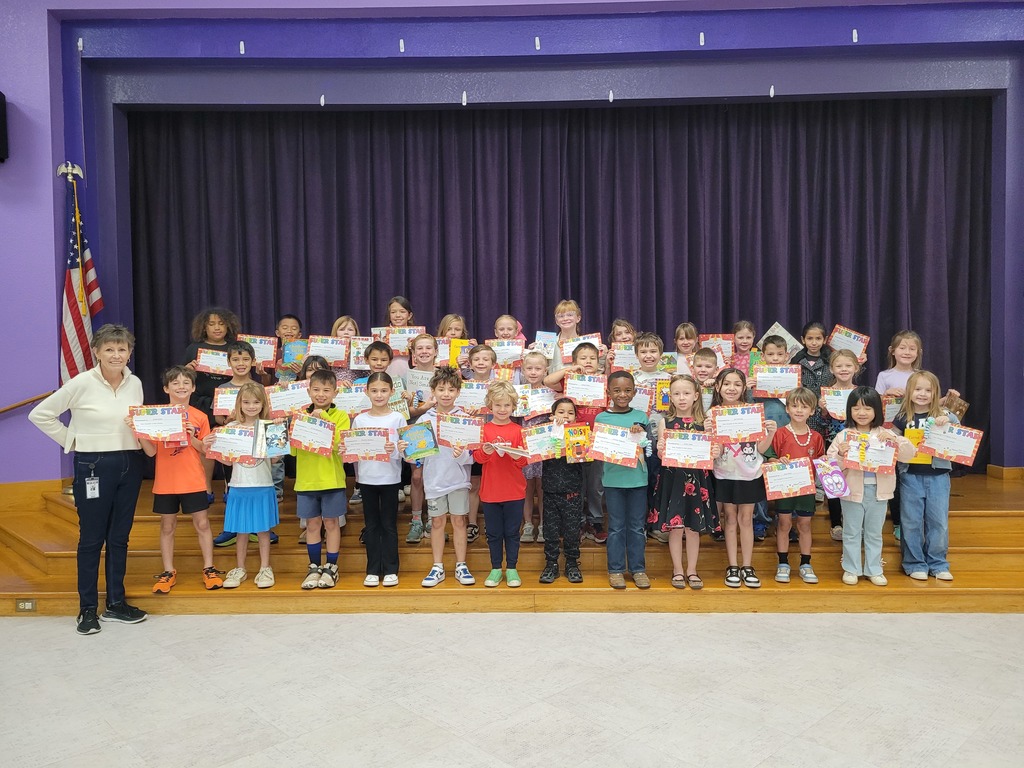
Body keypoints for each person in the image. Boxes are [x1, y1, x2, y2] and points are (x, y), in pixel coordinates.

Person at [30, 324, 147, 634]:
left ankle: (116, 603)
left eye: (122, 349)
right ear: (96, 352)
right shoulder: (80, 383)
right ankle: (87, 610)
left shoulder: (134, 383)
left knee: (119, 537)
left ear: (129, 353)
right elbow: (40, 415)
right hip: (93, 465)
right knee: (92, 538)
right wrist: (73, 441)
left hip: (130, 462)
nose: (116, 354)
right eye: (109, 349)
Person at [135, 366, 222, 593]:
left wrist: (189, 435)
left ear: (193, 388)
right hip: (166, 481)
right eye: (175, 383)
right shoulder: (156, 416)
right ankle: (168, 571)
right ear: (166, 388)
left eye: (186, 383)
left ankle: (209, 568)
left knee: (202, 523)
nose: (181, 387)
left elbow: (204, 449)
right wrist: (138, 432)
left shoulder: (199, 416)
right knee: (167, 526)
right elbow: (151, 452)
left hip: (192, 479)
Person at [828, 386, 915, 586]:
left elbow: (909, 454)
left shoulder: (886, 433)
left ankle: (874, 569)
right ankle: (851, 569)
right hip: (851, 493)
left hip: (879, 493)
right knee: (851, 532)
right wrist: (840, 454)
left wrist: (894, 440)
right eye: (856, 408)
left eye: (867, 408)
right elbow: (830, 466)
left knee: (874, 533)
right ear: (849, 410)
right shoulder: (844, 436)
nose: (862, 413)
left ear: (877, 410)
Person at [398, 366, 476, 588]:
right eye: (441, 389)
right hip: (434, 481)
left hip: (459, 480)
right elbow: (415, 457)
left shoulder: (464, 419)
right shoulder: (425, 420)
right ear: (433, 391)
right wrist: (405, 450)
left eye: (451, 389)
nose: (446, 394)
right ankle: (437, 566)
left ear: (458, 392)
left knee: (460, 521)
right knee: (437, 522)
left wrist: (462, 455)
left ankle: (461, 565)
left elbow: (472, 456)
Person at [208, 382, 280, 589]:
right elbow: (228, 462)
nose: (251, 406)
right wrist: (216, 447)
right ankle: (240, 568)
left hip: (263, 485)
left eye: (256, 402)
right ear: (239, 404)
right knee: (241, 531)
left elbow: (275, 460)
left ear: (263, 404)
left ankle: (265, 568)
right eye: (246, 402)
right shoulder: (230, 428)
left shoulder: (269, 426)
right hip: (239, 486)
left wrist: (279, 444)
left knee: (263, 531)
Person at [711, 367, 777, 589]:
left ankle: (747, 566)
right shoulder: (712, 413)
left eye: (737, 384)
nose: (731, 388)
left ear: (744, 387)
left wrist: (771, 433)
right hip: (724, 473)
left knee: (746, 519)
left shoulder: (753, 412)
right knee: (729, 518)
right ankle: (732, 566)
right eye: (726, 383)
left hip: (750, 473)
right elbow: (714, 451)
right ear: (718, 387)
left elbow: (760, 448)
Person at [891, 371, 959, 581]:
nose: (922, 394)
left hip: (938, 476)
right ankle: (913, 563)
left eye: (928, 390)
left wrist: (947, 418)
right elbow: (893, 443)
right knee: (910, 521)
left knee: (938, 521)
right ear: (909, 392)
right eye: (918, 389)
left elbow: (958, 431)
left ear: (935, 393)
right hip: (910, 476)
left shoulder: (944, 414)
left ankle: (938, 563)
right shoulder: (903, 418)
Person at [653, 375, 718, 590]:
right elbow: (662, 456)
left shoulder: (704, 423)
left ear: (696, 396)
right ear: (670, 397)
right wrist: (661, 449)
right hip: (674, 481)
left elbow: (713, 452)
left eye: (687, 393)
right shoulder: (666, 422)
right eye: (677, 394)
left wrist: (715, 447)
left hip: (697, 481)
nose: (682, 398)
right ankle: (677, 570)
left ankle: (692, 570)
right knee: (676, 528)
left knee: (693, 528)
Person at [544, 341, 607, 544]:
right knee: (577, 484)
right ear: (575, 361)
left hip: (597, 439)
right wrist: (569, 370)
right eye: (583, 358)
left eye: (592, 358)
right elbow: (547, 381)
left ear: (599, 362)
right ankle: (577, 521)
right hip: (573, 439)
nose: (588, 361)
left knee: (596, 484)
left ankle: (595, 521)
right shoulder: (571, 379)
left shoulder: (602, 382)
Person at [595, 371, 651, 590]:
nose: (622, 394)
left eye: (627, 390)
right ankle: (616, 570)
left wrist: (642, 434)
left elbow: (650, 450)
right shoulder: (602, 418)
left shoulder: (642, 417)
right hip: (613, 480)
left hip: (638, 479)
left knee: (637, 527)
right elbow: (598, 451)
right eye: (617, 390)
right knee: (616, 527)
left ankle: (638, 569)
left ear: (635, 392)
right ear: (608, 392)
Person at [295, 369, 350, 589]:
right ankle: (314, 566)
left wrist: (323, 419)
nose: (321, 394)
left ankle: (331, 567)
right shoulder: (299, 415)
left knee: (331, 523)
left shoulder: (341, 416)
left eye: (327, 390)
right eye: (316, 389)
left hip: (332, 480)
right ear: (308, 391)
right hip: (306, 480)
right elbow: (291, 449)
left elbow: (340, 446)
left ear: (335, 393)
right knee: (312, 524)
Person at [350, 372, 405, 587]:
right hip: (367, 478)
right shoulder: (360, 419)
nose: (379, 395)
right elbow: (354, 452)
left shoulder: (397, 418)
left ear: (392, 392)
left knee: (389, 525)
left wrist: (397, 450)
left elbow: (404, 452)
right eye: (374, 391)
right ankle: (373, 569)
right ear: (367, 392)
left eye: (383, 390)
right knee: (371, 525)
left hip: (390, 478)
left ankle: (391, 569)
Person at [473, 380, 528, 588]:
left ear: (513, 406)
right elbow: (477, 458)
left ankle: (512, 568)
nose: (502, 409)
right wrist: (485, 452)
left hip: (515, 490)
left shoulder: (518, 430)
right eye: (498, 405)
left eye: (506, 405)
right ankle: (496, 568)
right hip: (490, 491)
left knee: (512, 532)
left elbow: (524, 461)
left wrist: (515, 455)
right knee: (494, 533)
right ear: (490, 406)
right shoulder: (483, 429)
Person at [770, 387, 826, 585]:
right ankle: (783, 563)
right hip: (784, 488)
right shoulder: (780, 434)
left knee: (805, 525)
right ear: (787, 409)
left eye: (804, 407)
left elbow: (821, 463)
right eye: (794, 406)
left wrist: (826, 463)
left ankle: (805, 563)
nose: (799, 410)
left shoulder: (817, 437)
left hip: (807, 489)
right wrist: (776, 461)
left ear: (812, 411)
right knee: (783, 524)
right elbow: (770, 458)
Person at [183, 307, 240, 501]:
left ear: (228, 326)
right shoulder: (194, 348)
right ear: (204, 327)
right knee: (205, 447)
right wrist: (187, 370)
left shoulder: (235, 346)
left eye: (221, 323)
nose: (217, 327)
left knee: (230, 445)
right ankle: (205, 489)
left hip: (230, 404)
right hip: (202, 403)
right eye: (212, 323)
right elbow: (183, 380)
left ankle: (229, 488)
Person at [211, 340, 264, 547]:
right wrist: (231, 418)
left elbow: (266, 415)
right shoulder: (223, 389)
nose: (240, 363)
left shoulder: (260, 387)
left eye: (245, 359)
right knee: (232, 483)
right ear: (229, 362)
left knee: (258, 481)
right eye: (235, 359)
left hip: (257, 448)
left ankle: (259, 527)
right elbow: (218, 420)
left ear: (253, 362)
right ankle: (232, 527)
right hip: (233, 445)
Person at [539, 398, 586, 583]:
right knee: (550, 531)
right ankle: (551, 564)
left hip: (572, 492)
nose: (565, 416)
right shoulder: (544, 433)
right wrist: (553, 430)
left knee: (572, 530)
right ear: (552, 415)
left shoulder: (579, 434)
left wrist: (575, 437)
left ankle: (572, 563)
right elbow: (535, 450)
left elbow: (586, 459)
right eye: (561, 412)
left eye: (570, 413)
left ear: (575, 417)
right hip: (550, 491)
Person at [818, 349, 861, 542]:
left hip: (857, 444)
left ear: (856, 368)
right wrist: (824, 410)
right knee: (833, 482)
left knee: (855, 482)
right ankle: (836, 523)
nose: (844, 369)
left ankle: (855, 522)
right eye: (839, 366)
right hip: (832, 443)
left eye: (848, 365)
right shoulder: (827, 394)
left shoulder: (860, 393)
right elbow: (823, 422)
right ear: (832, 369)